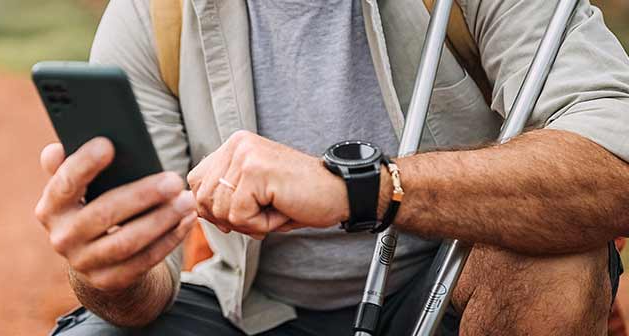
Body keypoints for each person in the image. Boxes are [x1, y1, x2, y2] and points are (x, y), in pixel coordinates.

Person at [35, 0, 629, 335]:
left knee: (553, 254)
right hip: (253, 312)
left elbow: (615, 155)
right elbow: (146, 290)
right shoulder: (152, 15)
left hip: (445, 295)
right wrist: (107, 269)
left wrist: (366, 188)